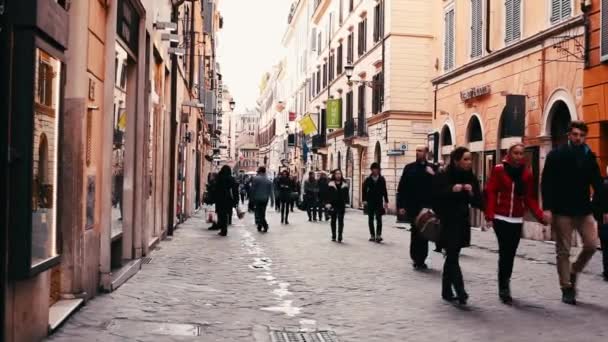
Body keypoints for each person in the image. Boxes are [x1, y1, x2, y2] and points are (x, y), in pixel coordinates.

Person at [541, 120, 607, 305]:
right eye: (575, 134)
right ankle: (566, 287)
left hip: (584, 209)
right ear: (569, 135)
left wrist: (604, 208)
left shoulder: (589, 156)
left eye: (581, 135)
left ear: (584, 137)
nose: (578, 138)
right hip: (562, 210)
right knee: (563, 250)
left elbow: (598, 184)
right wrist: (547, 208)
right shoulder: (556, 155)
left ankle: (574, 270)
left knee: (592, 245)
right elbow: (546, 183)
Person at [485, 143, 548, 304]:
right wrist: (490, 215)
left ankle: (505, 281)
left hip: (517, 219)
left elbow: (529, 198)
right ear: (509, 154)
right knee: (505, 251)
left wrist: (540, 216)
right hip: (501, 217)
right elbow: (491, 192)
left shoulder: (526, 174)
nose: (519, 156)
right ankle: (504, 287)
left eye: (521, 154)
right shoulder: (499, 170)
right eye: (516, 153)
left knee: (510, 253)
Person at [432, 147, 482, 305]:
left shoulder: (470, 176)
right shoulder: (444, 175)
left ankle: (446, 291)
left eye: (470, 159)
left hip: (462, 221)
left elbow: (477, 200)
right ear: (456, 160)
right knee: (452, 256)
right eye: (465, 159)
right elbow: (435, 196)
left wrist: (472, 192)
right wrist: (452, 189)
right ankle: (460, 291)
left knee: (452, 255)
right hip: (447, 221)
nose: (469, 162)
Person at [397, 146, 437, 270]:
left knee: (425, 233)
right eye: (416, 150)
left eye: (420, 151)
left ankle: (422, 259)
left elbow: (439, 186)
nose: (418, 153)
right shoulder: (409, 168)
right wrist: (401, 206)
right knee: (415, 232)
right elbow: (402, 187)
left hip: (427, 206)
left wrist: (434, 174)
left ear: (425, 153)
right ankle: (415, 258)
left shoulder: (431, 168)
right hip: (413, 206)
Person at [362, 162, 389, 242]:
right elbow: (364, 190)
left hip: (379, 201)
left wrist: (386, 201)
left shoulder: (381, 179)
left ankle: (378, 235)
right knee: (370, 218)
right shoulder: (368, 179)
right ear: (371, 170)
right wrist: (364, 200)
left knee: (379, 218)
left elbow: (384, 190)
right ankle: (372, 235)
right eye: (374, 169)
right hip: (370, 201)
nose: (375, 171)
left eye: (377, 169)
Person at [212, 165, 239, 236]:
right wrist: (236, 200)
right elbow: (235, 190)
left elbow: (215, 188)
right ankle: (225, 227)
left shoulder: (219, 177)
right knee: (227, 213)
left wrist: (214, 198)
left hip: (220, 199)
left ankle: (223, 229)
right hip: (228, 199)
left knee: (221, 214)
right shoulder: (231, 179)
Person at [593, 166, 608, 282]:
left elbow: (594, 206)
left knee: (606, 249)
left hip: (604, 223)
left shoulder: (600, 186)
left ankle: (607, 272)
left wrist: (599, 218)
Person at [326, 169, 349, 242]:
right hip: (333, 205)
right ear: (334, 175)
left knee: (341, 220)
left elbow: (346, 195)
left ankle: (340, 235)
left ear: (341, 175)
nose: (338, 175)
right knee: (333, 220)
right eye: (336, 174)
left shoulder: (344, 184)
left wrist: (346, 202)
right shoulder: (331, 184)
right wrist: (328, 203)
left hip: (341, 204)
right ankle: (333, 235)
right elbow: (328, 195)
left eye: (339, 174)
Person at [251, 166, 273, 233]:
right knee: (262, 212)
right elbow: (271, 191)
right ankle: (260, 225)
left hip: (257, 198)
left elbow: (253, 189)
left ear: (259, 171)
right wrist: (272, 200)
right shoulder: (269, 180)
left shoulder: (256, 179)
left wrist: (251, 198)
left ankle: (264, 225)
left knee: (258, 212)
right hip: (265, 199)